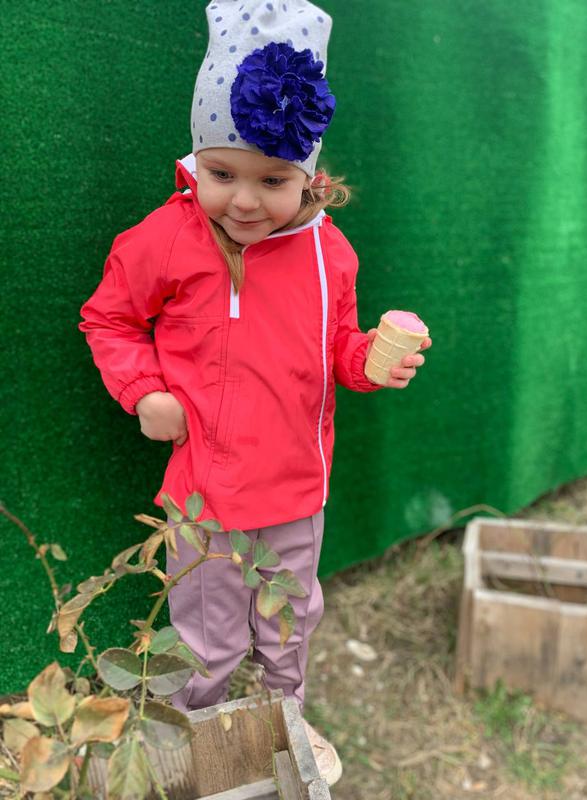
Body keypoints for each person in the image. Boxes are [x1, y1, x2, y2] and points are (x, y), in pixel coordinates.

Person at [79, 0, 431, 786]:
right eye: (222, 174)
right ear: (196, 161)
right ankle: (194, 739)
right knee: (206, 638)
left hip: (298, 488)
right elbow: (108, 318)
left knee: (290, 622)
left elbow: (337, 351)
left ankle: (285, 721)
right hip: (204, 496)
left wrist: (370, 360)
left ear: (310, 177)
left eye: (272, 180)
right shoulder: (167, 238)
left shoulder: (330, 256)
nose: (243, 200)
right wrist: (143, 391)